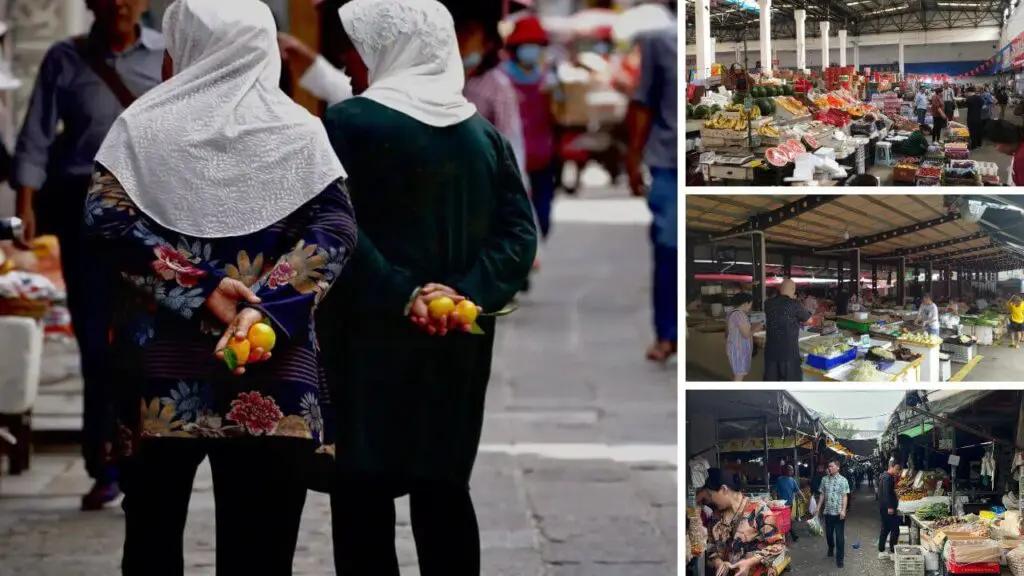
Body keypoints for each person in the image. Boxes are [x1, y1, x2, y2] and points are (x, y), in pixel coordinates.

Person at [85, 0, 358, 572]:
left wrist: (200, 286)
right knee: (261, 549)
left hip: (157, 375)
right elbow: (335, 229)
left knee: (153, 541)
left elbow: (106, 219)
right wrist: (269, 310)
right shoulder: (301, 132)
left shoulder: (139, 128)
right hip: (270, 367)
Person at [317, 1, 539, 574]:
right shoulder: (482, 136)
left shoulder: (345, 126)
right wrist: (466, 294)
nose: (347, 61)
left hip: (368, 338)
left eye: (357, 47)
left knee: (362, 493)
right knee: (443, 488)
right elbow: (517, 235)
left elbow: (334, 229)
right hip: (457, 338)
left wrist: (402, 294)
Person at [12, 0, 164, 511]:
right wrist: (25, 208)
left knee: (149, 336)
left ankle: (150, 456)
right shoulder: (64, 57)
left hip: (152, 211)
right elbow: (34, 137)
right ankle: (105, 462)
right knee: (96, 340)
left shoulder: (166, 52)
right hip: (86, 213)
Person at [627, 18, 678, 363]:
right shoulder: (658, 40)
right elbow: (643, 103)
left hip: (675, 159)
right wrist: (633, 158)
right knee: (668, 247)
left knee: (671, 248)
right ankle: (665, 334)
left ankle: (669, 333)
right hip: (669, 162)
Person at [502, 16, 559, 246]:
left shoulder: (548, 79)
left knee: (543, 218)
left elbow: (560, 115)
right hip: (511, 160)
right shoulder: (501, 78)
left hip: (542, 157)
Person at [701, 468, 786, 576]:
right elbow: (711, 547)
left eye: (711, 495)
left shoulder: (758, 510)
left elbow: (779, 545)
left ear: (723, 489)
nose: (710, 499)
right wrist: (718, 562)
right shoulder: (716, 516)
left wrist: (750, 562)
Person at [763, 279, 811, 381]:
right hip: (788, 352)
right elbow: (809, 320)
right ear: (793, 289)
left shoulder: (768, 303)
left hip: (771, 351)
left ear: (780, 289)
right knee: (791, 383)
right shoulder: (795, 304)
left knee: (771, 383)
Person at [817, 461, 851, 569]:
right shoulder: (824, 480)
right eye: (829, 466)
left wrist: (843, 510)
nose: (829, 468)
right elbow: (822, 494)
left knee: (840, 537)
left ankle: (840, 559)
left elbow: (845, 496)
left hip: (839, 513)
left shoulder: (843, 480)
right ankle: (831, 547)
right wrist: (818, 507)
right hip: (828, 512)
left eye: (831, 466)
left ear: (838, 467)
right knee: (829, 534)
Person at [726, 293, 761, 381]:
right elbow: (746, 334)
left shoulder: (732, 313)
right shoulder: (740, 315)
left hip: (734, 347)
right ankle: (735, 393)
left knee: (739, 373)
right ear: (745, 303)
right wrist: (756, 328)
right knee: (739, 374)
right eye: (750, 304)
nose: (750, 307)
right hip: (739, 349)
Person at [877, 460, 902, 560]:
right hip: (888, 508)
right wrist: (890, 507)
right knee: (895, 529)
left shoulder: (883, 476)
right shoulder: (888, 478)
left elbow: (885, 492)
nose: (898, 471)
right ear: (891, 467)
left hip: (883, 508)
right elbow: (886, 493)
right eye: (897, 469)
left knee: (885, 528)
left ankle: (881, 549)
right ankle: (892, 551)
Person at [987, 119, 1024, 185]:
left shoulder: (1021, 158)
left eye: (995, 145)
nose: (996, 149)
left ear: (1006, 141)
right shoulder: (1019, 148)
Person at [773, 464, 802, 543]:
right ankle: (792, 535)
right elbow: (774, 490)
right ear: (785, 470)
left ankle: (786, 535)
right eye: (790, 470)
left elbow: (797, 490)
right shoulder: (779, 479)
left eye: (792, 470)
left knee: (786, 520)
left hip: (789, 504)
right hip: (781, 505)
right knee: (786, 520)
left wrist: (803, 497)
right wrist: (775, 500)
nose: (792, 471)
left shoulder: (792, 480)